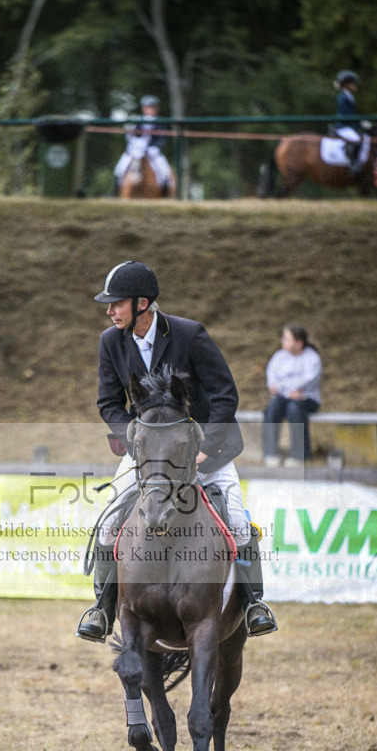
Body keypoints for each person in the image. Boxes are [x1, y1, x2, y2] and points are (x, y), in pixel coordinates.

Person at [76, 260, 277, 643]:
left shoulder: (189, 335)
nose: (109, 311)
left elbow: (225, 395)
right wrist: (137, 440)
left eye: (116, 303)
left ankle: (254, 604)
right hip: (148, 456)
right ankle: (102, 607)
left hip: (205, 451)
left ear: (142, 303)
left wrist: (205, 449)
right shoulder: (110, 341)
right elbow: (108, 403)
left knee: (236, 520)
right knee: (107, 525)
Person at [263, 324, 322, 468]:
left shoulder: (312, 358)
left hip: (307, 398)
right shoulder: (279, 356)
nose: (283, 341)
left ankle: (299, 455)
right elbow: (272, 376)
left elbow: (308, 379)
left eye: (287, 339)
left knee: (294, 408)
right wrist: (287, 389)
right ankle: (270, 454)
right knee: (272, 408)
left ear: (299, 342)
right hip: (283, 397)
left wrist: (286, 387)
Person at [113, 96, 174, 195]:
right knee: (119, 169)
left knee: (165, 172)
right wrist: (134, 144)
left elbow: (162, 138)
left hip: (153, 152)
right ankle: (115, 194)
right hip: (135, 151)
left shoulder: (160, 122)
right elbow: (131, 135)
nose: (149, 110)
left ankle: (165, 193)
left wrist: (155, 148)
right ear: (143, 108)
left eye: (152, 107)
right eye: (147, 107)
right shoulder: (137, 121)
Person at [333, 70, 364, 173]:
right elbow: (347, 114)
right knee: (356, 140)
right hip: (343, 126)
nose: (355, 85)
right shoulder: (343, 97)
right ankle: (353, 163)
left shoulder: (349, 96)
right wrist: (358, 122)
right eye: (353, 83)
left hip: (349, 124)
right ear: (346, 84)